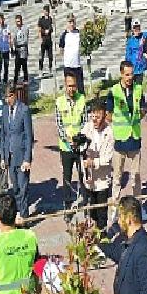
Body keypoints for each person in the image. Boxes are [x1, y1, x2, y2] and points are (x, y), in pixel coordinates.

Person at [107, 61, 145, 220]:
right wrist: (118, 128)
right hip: (120, 141)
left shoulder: (138, 89)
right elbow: (108, 115)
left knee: (136, 177)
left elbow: (142, 110)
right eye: (127, 74)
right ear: (121, 74)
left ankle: (139, 208)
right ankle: (114, 210)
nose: (130, 77)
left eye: (132, 74)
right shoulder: (113, 91)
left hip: (134, 138)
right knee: (117, 178)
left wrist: (136, 119)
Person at [1, 82, 33, 219]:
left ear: (15, 95)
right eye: (6, 97)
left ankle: (24, 217)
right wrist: (3, 157)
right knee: (15, 189)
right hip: (10, 156)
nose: (8, 100)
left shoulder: (24, 110)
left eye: (10, 96)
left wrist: (27, 158)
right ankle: (19, 212)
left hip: (21, 157)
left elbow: (29, 135)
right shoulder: (4, 111)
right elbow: (3, 134)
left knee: (23, 187)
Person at [55, 71, 87, 208]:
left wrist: (78, 140)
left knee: (83, 175)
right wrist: (68, 140)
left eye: (73, 86)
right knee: (67, 177)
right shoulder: (59, 102)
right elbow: (59, 125)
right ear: (65, 85)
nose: (71, 89)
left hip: (80, 146)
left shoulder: (82, 100)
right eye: (69, 86)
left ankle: (86, 201)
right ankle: (67, 204)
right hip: (66, 147)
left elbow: (85, 122)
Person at [81, 103, 114, 230]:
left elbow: (108, 158)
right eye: (93, 116)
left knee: (101, 210)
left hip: (102, 179)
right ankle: (93, 234)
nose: (94, 120)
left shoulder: (109, 132)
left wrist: (93, 162)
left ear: (104, 116)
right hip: (89, 178)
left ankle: (103, 233)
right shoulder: (87, 128)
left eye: (98, 117)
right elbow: (81, 144)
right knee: (91, 209)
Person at [59, 14, 84, 93]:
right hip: (68, 66)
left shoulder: (79, 33)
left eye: (73, 22)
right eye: (70, 22)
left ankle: (82, 103)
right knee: (70, 88)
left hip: (77, 66)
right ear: (67, 23)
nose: (72, 24)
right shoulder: (64, 35)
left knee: (80, 88)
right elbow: (61, 49)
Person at [125, 19, 147, 85]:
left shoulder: (143, 36)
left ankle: (140, 95)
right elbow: (127, 55)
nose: (137, 30)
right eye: (135, 28)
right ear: (133, 29)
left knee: (139, 86)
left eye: (138, 28)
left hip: (140, 67)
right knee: (131, 87)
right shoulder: (130, 40)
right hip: (132, 67)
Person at [0, 14, 12, 92]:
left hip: (6, 50)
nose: (1, 21)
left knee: (6, 67)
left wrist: (11, 46)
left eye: (2, 19)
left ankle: (5, 82)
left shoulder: (7, 27)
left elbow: (9, 37)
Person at [12, 14, 29, 85]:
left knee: (24, 66)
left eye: (19, 21)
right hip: (17, 50)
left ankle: (25, 79)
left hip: (23, 49)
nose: (17, 23)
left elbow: (25, 40)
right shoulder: (15, 29)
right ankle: (15, 80)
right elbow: (14, 39)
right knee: (17, 67)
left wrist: (18, 43)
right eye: (16, 22)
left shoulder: (25, 28)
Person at [37, 5, 53, 77]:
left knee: (50, 56)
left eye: (47, 11)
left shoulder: (50, 19)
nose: (46, 12)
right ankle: (40, 69)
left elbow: (51, 28)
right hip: (43, 40)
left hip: (49, 39)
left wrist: (49, 30)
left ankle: (50, 68)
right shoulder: (41, 19)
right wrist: (40, 38)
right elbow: (39, 29)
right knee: (41, 56)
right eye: (45, 11)